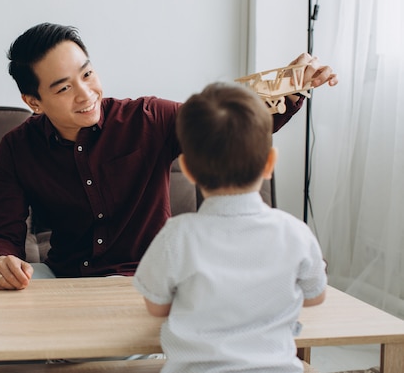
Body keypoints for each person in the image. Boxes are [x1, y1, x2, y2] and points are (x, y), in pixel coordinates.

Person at [0, 22, 337, 291]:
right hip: (66, 279)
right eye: (65, 87)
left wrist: (292, 85)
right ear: (33, 102)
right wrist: (0, 261)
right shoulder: (16, 148)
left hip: (145, 280)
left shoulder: (149, 118)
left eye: (87, 74)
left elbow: (227, 123)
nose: (86, 94)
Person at [133, 83, 327, 373]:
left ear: (185, 169)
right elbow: (316, 296)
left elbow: (156, 307)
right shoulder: (295, 232)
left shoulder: (177, 234)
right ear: (269, 162)